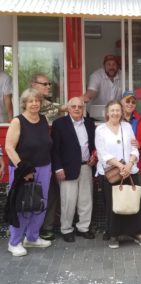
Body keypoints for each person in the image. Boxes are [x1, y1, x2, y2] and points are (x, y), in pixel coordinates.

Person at [4, 88, 52, 256]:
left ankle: (32, 238)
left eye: (37, 101)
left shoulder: (44, 119)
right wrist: (24, 169)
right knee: (22, 204)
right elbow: (9, 147)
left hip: (44, 167)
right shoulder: (18, 122)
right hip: (22, 169)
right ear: (24, 103)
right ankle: (14, 242)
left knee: (40, 203)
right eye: (31, 101)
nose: (34, 104)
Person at [95, 100, 141, 249]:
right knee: (113, 204)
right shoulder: (100, 130)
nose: (115, 113)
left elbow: (134, 148)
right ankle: (114, 234)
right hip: (112, 173)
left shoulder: (127, 127)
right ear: (107, 112)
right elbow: (102, 153)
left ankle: (136, 233)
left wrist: (129, 164)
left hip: (130, 171)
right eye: (112, 110)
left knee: (131, 202)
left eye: (118, 110)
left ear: (122, 112)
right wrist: (120, 166)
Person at [51, 97, 96, 243]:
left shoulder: (89, 123)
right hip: (66, 168)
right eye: (74, 106)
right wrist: (58, 168)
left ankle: (83, 227)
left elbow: (93, 144)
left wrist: (94, 157)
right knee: (68, 201)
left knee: (86, 200)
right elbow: (54, 149)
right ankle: (66, 229)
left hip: (86, 166)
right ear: (68, 108)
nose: (77, 109)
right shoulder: (59, 124)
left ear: (83, 108)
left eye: (80, 106)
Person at [31, 73, 65, 241]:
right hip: (30, 158)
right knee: (30, 193)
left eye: (49, 84)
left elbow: (59, 108)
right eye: (44, 84)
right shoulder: (28, 102)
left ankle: (47, 227)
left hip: (47, 156)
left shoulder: (48, 104)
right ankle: (30, 231)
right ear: (33, 85)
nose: (48, 86)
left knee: (50, 192)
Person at [121, 90, 141, 183]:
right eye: (127, 101)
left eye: (133, 102)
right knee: (119, 196)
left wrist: (139, 144)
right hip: (120, 166)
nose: (130, 104)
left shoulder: (140, 120)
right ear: (122, 102)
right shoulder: (116, 118)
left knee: (135, 195)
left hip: (137, 165)